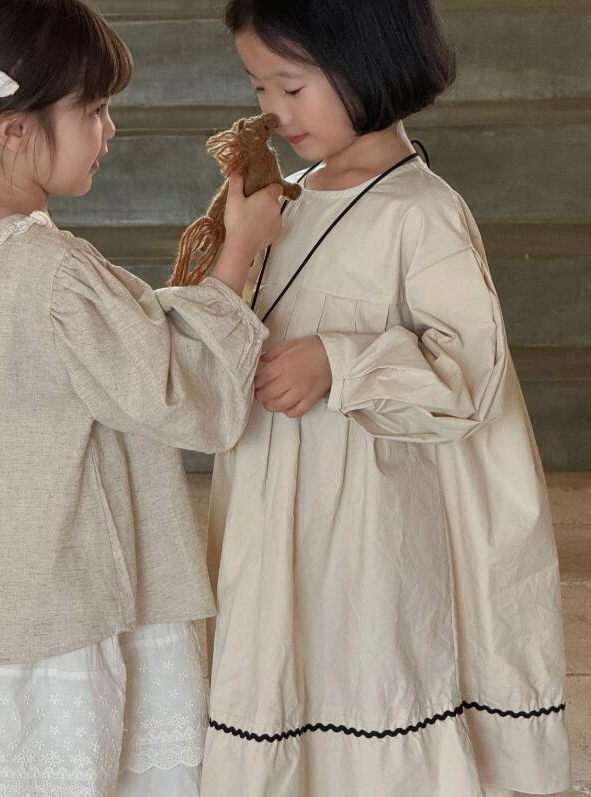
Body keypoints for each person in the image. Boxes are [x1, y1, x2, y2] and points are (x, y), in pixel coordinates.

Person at [0, 1, 282, 794]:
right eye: (95, 109)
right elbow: (182, 393)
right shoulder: (57, 275)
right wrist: (239, 253)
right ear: (16, 130)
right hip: (69, 619)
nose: (110, 129)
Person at [202, 1, 571, 795]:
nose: (273, 111)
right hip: (276, 498)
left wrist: (340, 361)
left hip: (373, 519)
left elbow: (468, 373)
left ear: (367, 63)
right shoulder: (286, 199)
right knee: (285, 650)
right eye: (259, 87)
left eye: (291, 86)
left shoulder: (422, 212)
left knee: (364, 654)